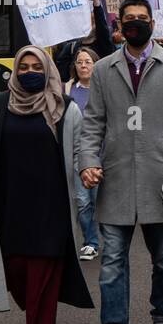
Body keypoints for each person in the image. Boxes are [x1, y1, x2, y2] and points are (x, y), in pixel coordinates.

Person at [78, 0, 163, 324]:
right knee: (113, 261)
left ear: (151, 22)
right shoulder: (103, 70)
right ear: (120, 28)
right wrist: (88, 161)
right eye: (128, 18)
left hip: (159, 182)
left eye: (141, 17)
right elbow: (93, 123)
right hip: (115, 180)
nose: (135, 22)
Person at [0, 46, 93, 324]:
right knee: (16, 268)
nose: (30, 72)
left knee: (44, 265)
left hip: (51, 204)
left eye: (36, 67)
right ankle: (33, 310)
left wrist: (88, 170)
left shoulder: (66, 109)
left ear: (48, 70)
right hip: (10, 204)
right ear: (15, 71)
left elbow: (80, 150)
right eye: (24, 67)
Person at [65, 47, 101, 260]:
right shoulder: (68, 91)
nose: (84, 66)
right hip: (77, 155)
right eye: (80, 62)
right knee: (82, 200)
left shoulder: (103, 89)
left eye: (88, 61)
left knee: (99, 201)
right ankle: (90, 242)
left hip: (100, 154)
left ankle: (110, 241)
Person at [53, 0, 116, 83]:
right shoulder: (70, 48)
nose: (83, 66)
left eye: (93, 21)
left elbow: (101, 24)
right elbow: (60, 76)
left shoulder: (104, 45)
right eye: (80, 62)